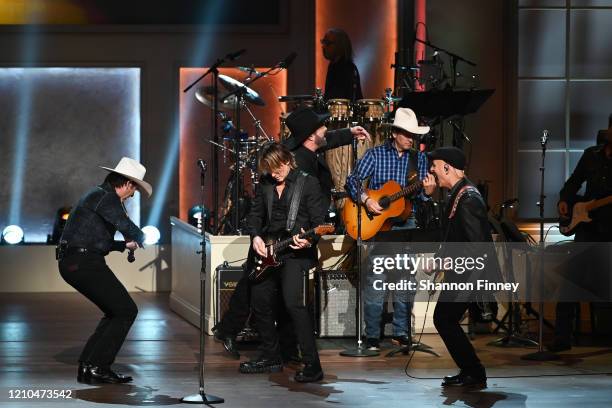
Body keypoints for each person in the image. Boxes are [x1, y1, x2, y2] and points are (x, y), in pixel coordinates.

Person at [211, 108, 370, 358]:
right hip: (273, 238)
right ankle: (239, 334)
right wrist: (259, 237)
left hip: (292, 239)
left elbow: (326, 141)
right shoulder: (294, 163)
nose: (325, 130)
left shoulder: (302, 150)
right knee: (254, 289)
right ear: (309, 136)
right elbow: (266, 208)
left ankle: (277, 346)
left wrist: (349, 133)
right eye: (320, 128)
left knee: (275, 295)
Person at [57, 157, 153, 384]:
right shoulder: (105, 197)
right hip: (82, 263)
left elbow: (97, 241)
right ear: (128, 184)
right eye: (135, 190)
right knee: (126, 310)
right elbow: (126, 225)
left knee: (116, 311)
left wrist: (124, 245)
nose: (133, 195)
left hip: (80, 261)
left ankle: (89, 367)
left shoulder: (99, 197)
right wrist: (139, 237)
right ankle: (97, 367)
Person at [238, 142, 326, 383]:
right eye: (269, 170)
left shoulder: (308, 183)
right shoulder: (265, 184)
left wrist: (309, 240)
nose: (273, 174)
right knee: (259, 301)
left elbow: (320, 223)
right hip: (267, 251)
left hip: (295, 254)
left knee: (294, 305)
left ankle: (312, 365)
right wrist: (255, 236)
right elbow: (254, 216)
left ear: (287, 161)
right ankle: (271, 356)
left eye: (276, 169)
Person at [345, 107, 430, 351]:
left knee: (405, 279)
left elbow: (421, 197)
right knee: (377, 280)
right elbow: (352, 181)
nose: (411, 138)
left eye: (413, 134)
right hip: (380, 226)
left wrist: (428, 192)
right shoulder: (375, 155)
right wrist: (366, 200)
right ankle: (372, 335)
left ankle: (402, 333)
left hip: (407, 223)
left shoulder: (420, 159)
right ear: (394, 133)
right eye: (406, 133)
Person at [422, 147, 492, 388]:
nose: (431, 170)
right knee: (444, 319)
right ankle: (471, 370)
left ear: (447, 167)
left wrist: (443, 262)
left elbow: (477, 247)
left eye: (435, 165)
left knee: (444, 318)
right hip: (462, 272)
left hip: (469, 274)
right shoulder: (458, 194)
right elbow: (452, 236)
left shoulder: (469, 198)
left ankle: (474, 371)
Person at [551, 127, 612, 352]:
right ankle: (561, 338)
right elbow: (573, 183)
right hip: (587, 228)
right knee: (569, 281)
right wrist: (564, 200)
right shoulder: (591, 154)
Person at [321, 28, 363, 101]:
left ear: (339, 45)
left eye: (327, 43)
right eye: (323, 42)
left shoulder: (348, 69)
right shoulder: (333, 65)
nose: (323, 46)